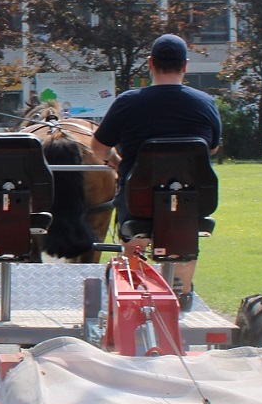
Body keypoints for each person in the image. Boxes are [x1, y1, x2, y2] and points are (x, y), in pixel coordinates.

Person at [90, 34, 221, 301]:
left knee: (135, 234)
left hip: (138, 204)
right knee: (183, 233)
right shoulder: (205, 104)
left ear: (150, 63)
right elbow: (212, 148)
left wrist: (115, 161)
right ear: (185, 66)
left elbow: (98, 149)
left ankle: (135, 290)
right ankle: (181, 290)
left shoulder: (128, 102)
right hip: (189, 204)